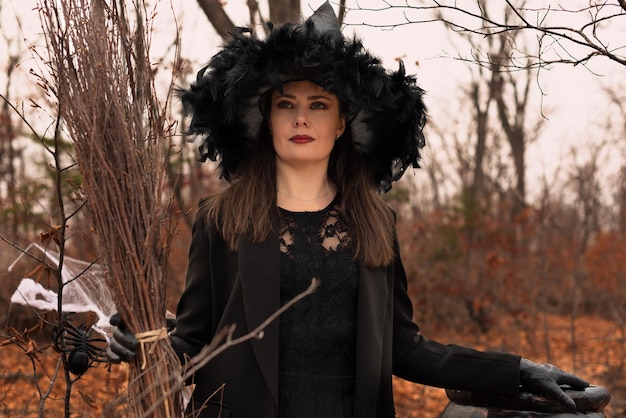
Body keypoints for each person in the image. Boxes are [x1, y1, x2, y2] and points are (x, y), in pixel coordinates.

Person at [107, 2, 590, 417]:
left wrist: (516, 371)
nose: (301, 117)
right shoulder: (221, 219)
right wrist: (141, 344)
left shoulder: (376, 224)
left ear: (341, 125)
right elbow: (194, 341)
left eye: (319, 104)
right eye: (286, 104)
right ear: (266, 121)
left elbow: (406, 348)